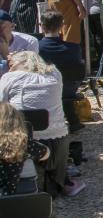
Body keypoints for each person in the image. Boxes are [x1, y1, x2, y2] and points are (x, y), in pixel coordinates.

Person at [0, 50, 73, 198]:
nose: (10, 68)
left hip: (19, 139)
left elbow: (2, 105)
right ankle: (57, 182)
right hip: (55, 139)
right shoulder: (55, 74)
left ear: (24, 62)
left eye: (12, 64)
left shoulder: (9, 77)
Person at [37, 10, 85, 174]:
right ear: (62, 26)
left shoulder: (37, 49)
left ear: (41, 26)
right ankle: (72, 118)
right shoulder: (73, 47)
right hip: (69, 88)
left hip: (47, 92)